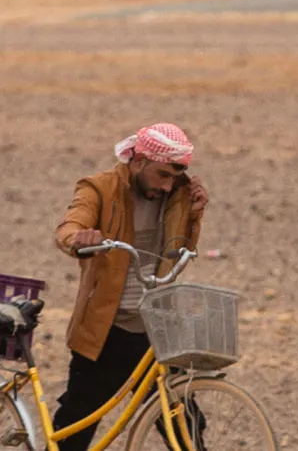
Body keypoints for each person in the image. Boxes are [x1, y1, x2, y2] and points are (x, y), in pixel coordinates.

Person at [51, 124, 209, 451]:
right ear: (137, 162)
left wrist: (194, 215)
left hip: (156, 329)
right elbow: (70, 225)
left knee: (185, 423)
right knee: (76, 426)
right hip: (106, 330)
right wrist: (78, 238)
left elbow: (179, 251)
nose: (167, 186)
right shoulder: (99, 189)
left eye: (173, 177)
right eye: (161, 175)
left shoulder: (178, 192)